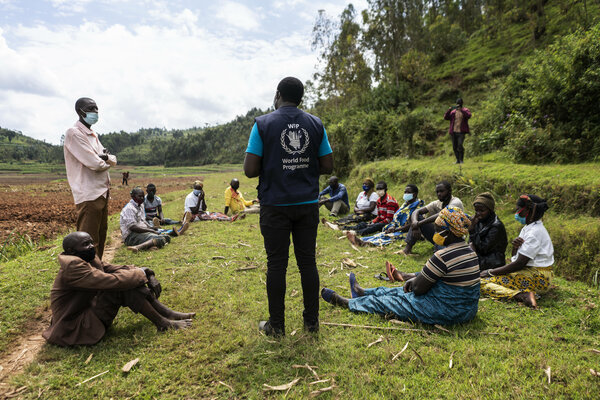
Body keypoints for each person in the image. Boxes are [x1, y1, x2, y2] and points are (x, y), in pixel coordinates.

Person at [244, 76, 333, 336]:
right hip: (307, 204)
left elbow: (250, 170)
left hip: (275, 205)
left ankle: (277, 326)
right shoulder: (315, 124)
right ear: (301, 98)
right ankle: (312, 323)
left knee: (276, 265)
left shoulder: (263, 124)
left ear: (278, 94)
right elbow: (327, 166)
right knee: (308, 263)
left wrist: (274, 162)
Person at [322, 207, 479, 326]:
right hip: (467, 310)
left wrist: (414, 282)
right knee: (398, 291)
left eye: (438, 229)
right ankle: (362, 292)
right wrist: (416, 280)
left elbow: (418, 290)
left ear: (449, 232)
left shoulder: (443, 256)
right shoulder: (470, 251)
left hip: (446, 311)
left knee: (393, 301)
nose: (435, 232)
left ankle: (349, 303)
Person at [42, 231, 194, 346]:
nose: (91, 247)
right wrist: (141, 274)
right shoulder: (73, 266)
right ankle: (163, 322)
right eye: (85, 245)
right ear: (71, 251)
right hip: (75, 326)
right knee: (122, 286)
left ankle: (167, 314)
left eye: (91, 242)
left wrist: (145, 271)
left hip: (86, 312)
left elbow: (113, 268)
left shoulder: (85, 257)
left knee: (128, 278)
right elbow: (110, 281)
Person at [63, 97, 116, 260]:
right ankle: (85, 276)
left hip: (102, 192)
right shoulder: (74, 133)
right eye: (91, 108)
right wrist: (105, 158)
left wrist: (104, 158)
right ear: (80, 111)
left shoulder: (93, 135)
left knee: (100, 237)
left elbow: (111, 159)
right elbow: (96, 164)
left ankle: (97, 272)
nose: (95, 112)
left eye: (96, 109)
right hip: (89, 195)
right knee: (86, 242)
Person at [480, 194, 554, 309]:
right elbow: (516, 259)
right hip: (532, 273)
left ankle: (521, 295)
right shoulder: (528, 228)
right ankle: (525, 292)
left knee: (481, 283)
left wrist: (491, 272)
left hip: (538, 277)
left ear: (528, 210)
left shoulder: (534, 233)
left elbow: (519, 263)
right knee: (486, 280)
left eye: (519, 209)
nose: (517, 212)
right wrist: (515, 248)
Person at [399, 181, 463, 255]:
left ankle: (440, 250)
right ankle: (406, 250)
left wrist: (418, 224)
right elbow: (416, 211)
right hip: (439, 235)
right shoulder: (437, 203)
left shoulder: (456, 202)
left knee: (442, 255)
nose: (439, 194)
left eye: (442, 191)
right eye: (437, 192)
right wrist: (415, 225)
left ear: (449, 191)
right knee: (417, 218)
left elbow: (442, 214)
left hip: (453, 238)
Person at [349, 184, 424, 247]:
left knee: (388, 236)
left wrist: (395, 229)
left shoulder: (418, 206)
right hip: (395, 226)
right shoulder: (405, 204)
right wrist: (392, 226)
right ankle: (361, 239)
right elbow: (396, 218)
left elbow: (412, 224)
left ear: (414, 194)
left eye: (408, 192)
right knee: (381, 233)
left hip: (408, 230)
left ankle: (367, 243)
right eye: (405, 192)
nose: (406, 194)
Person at [121, 187, 188, 253]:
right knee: (159, 238)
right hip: (131, 236)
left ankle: (150, 246)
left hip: (140, 232)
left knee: (167, 237)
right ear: (133, 196)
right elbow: (133, 227)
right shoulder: (129, 208)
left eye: (142, 196)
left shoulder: (140, 206)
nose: (142, 198)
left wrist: (151, 228)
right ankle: (138, 247)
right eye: (139, 196)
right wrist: (150, 230)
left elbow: (143, 221)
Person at [468, 192, 508, 271]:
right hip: (479, 260)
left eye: (482, 211)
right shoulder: (478, 221)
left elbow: (483, 249)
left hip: (493, 264)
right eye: (476, 210)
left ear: (490, 210)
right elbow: (471, 242)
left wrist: (472, 231)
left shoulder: (496, 226)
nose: (478, 214)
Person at [444, 98, 472, 164]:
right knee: (454, 147)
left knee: (460, 145)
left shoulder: (465, 110)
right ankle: (458, 160)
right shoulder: (453, 112)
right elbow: (446, 117)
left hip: (461, 132)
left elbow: (469, 115)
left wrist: (462, 110)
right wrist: (449, 110)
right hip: (453, 132)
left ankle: (461, 160)